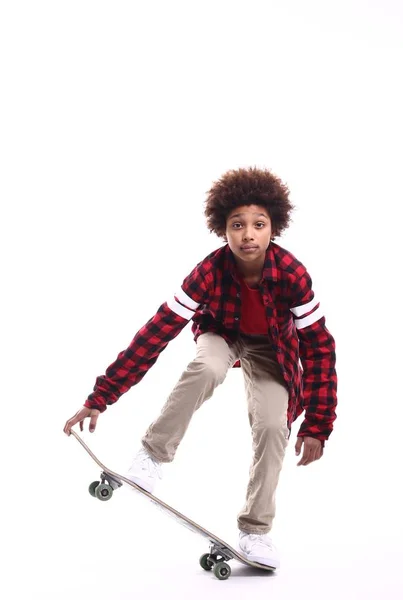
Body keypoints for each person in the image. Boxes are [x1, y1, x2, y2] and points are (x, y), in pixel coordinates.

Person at [63, 166, 337, 569]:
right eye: (237, 225)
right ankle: (152, 458)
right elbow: (156, 333)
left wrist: (318, 424)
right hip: (221, 332)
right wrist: (100, 398)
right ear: (221, 229)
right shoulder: (209, 271)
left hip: (272, 349)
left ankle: (256, 531)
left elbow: (319, 350)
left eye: (258, 225)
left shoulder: (293, 275)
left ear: (273, 228)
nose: (248, 234)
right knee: (207, 367)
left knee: (274, 425)